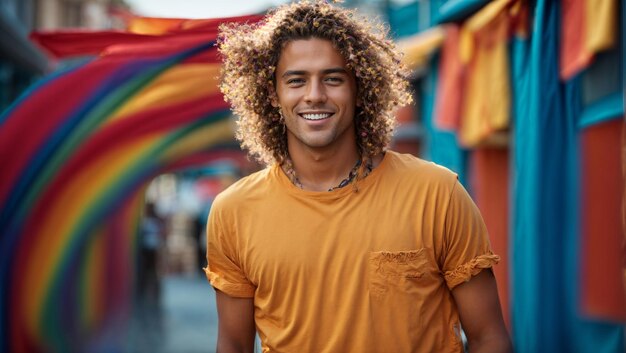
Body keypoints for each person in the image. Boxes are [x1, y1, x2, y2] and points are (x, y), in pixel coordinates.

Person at [204, 2, 512, 352]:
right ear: (273, 94)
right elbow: (233, 344)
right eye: (296, 80)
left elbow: (489, 337)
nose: (315, 95)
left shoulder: (437, 194)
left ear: (358, 88)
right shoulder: (234, 212)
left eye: (333, 79)